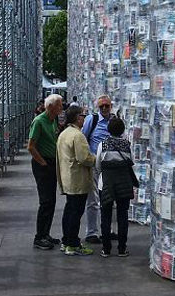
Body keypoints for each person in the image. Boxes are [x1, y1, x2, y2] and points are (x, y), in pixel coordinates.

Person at [57, 105, 96, 255]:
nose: (85, 119)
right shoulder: (78, 135)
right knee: (76, 212)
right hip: (77, 179)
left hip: (68, 177)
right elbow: (84, 157)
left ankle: (66, 241)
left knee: (69, 210)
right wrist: (96, 159)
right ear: (77, 118)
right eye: (83, 116)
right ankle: (73, 244)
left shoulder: (64, 133)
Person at [95, 116, 135, 257]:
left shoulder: (103, 145)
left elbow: (98, 166)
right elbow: (131, 162)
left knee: (105, 216)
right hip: (124, 184)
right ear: (123, 130)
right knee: (122, 216)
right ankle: (122, 249)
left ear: (108, 129)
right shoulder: (127, 145)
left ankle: (106, 249)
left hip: (106, 184)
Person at [28, 94, 63, 250]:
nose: (61, 108)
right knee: (45, 201)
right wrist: (43, 164)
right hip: (43, 163)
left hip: (51, 162)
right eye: (59, 106)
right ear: (50, 107)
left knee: (51, 201)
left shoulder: (52, 120)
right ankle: (39, 237)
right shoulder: (39, 121)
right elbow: (31, 146)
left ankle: (45, 233)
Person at [81, 95, 115, 243]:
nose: (104, 108)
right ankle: (91, 233)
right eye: (102, 106)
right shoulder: (91, 120)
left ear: (111, 106)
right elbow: (83, 138)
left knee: (109, 199)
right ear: (98, 107)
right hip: (95, 164)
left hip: (110, 165)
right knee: (93, 200)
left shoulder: (114, 120)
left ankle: (108, 230)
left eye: (107, 105)